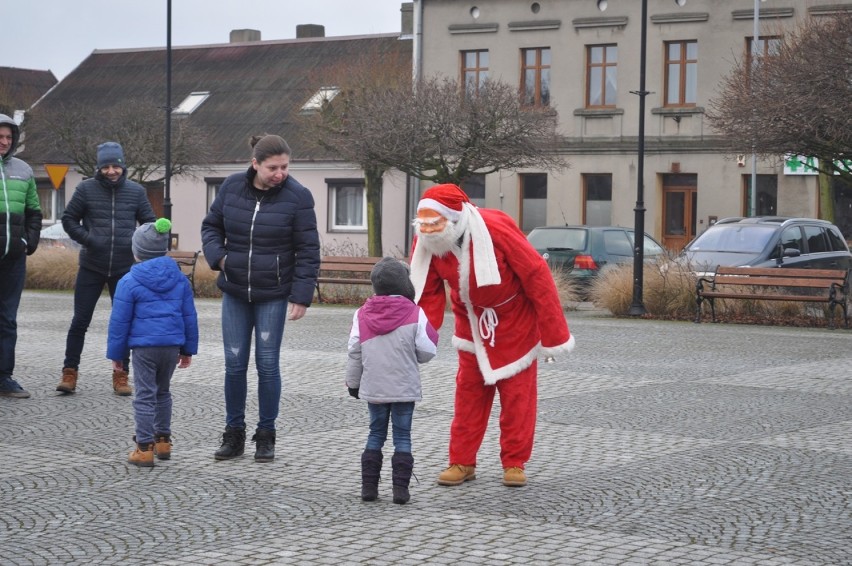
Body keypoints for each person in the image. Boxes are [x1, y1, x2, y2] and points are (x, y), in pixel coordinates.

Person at [409, 183, 575, 487]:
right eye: (424, 224)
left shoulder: (496, 227)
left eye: (436, 223)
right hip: (470, 322)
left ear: (454, 218)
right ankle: (462, 461)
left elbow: (535, 274)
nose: (429, 230)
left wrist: (554, 333)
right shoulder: (428, 241)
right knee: (468, 393)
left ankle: (514, 462)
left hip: (514, 321)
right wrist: (420, 337)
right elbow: (427, 292)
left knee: (517, 397)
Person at [201, 134, 320, 463]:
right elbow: (211, 226)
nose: (280, 173)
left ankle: (266, 435)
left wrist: (301, 296)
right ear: (255, 164)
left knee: (267, 366)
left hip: (274, 293)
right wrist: (220, 259)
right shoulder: (231, 188)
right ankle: (233, 433)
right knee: (234, 365)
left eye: (284, 167)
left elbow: (308, 250)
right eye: (272, 167)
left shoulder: (298, 197)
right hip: (236, 290)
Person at [57, 141, 156, 396]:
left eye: (116, 166)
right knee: (80, 321)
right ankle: (69, 372)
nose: (112, 171)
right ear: (99, 168)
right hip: (92, 265)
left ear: (123, 166)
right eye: (106, 167)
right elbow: (68, 219)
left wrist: (140, 243)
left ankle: (121, 375)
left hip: (124, 268)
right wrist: (89, 239)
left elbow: (149, 223)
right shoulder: (85, 189)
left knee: (123, 322)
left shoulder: (136, 191)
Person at [346, 257, 438, 504]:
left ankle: (369, 488)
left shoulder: (361, 314)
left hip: (374, 388)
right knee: (403, 437)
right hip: (404, 389)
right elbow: (427, 350)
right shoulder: (415, 313)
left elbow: (355, 350)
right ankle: (400, 490)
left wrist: (353, 384)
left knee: (375, 433)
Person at [107, 218, 199, 467]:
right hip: (171, 347)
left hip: (144, 349)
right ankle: (163, 440)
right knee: (163, 392)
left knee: (144, 395)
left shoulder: (129, 281)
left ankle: (144, 447)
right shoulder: (179, 279)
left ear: (136, 252)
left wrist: (117, 356)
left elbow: (119, 323)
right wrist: (188, 349)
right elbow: (189, 316)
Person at [0, 114, 42, 399]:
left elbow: (34, 211)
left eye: (8, 137)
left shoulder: (24, 170)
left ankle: (4, 377)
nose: (4, 142)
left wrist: (28, 241)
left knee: (8, 320)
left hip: (14, 259)